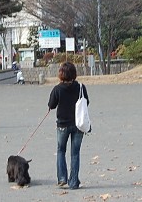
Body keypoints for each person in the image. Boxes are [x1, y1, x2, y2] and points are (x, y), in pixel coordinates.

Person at [48, 62, 89, 190]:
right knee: (75, 153)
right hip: (78, 124)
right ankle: (74, 182)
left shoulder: (57, 89)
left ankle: (62, 178)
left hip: (62, 125)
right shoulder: (81, 87)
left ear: (61, 74)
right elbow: (86, 102)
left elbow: (51, 105)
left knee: (61, 150)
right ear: (74, 73)